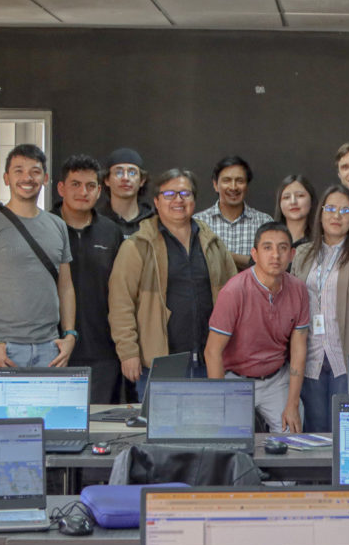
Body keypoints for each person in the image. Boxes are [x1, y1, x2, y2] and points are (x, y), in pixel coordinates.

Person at [109, 169, 237, 396]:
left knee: (208, 429)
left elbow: (235, 297)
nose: (178, 200)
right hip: (160, 364)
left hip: (210, 361)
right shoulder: (138, 246)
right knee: (162, 430)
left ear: (194, 200)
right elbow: (121, 303)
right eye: (169, 194)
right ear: (156, 201)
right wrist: (128, 352)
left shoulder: (213, 244)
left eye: (185, 193)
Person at [0, 144, 76, 368]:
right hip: (2, 351)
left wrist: (70, 335)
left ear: (45, 178)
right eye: (18, 170)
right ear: (6, 178)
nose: (27, 178)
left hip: (50, 350)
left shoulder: (58, 226)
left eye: (35, 171)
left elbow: (66, 286)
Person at [291, 186, 349, 432]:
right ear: (320, 213)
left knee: (347, 433)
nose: (336, 216)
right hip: (310, 358)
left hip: (347, 358)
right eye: (330, 209)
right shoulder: (302, 253)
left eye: (344, 210)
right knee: (315, 433)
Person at [206, 222, 309, 433]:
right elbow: (212, 352)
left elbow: (298, 349)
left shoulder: (298, 289)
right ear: (254, 253)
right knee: (229, 443)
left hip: (275, 378)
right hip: (235, 378)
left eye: (282, 248)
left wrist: (293, 403)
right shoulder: (234, 291)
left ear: (292, 254)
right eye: (267, 248)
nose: (276, 255)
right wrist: (220, 403)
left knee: (292, 433)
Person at [53, 154, 127, 402]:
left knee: (99, 428)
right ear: (61, 188)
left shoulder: (112, 232)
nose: (83, 192)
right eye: (75, 184)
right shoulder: (44, 228)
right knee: (54, 428)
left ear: (99, 191)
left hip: (103, 351)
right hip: (52, 349)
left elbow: (122, 292)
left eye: (90, 186)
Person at [193, 155, 273, 270]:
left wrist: (223, 255)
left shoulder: (264, 222)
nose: (233, 187)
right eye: (227, 180)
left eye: (240, 181)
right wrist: (247, 260)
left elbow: (269, 265)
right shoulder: (198, 222)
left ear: (247, 185)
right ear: (215, 185)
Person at [98, 147, 154, 237]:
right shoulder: (96, 220)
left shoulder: (154, 222)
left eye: (132, 173)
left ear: (142, 180)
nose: (125, 178)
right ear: (107, 180)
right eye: (118, 172)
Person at [274, 174, 317, 247]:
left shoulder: (321, 241)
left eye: (300, 196)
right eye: (286, 197)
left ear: (311, 201)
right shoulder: (269, 239)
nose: (293, 202)